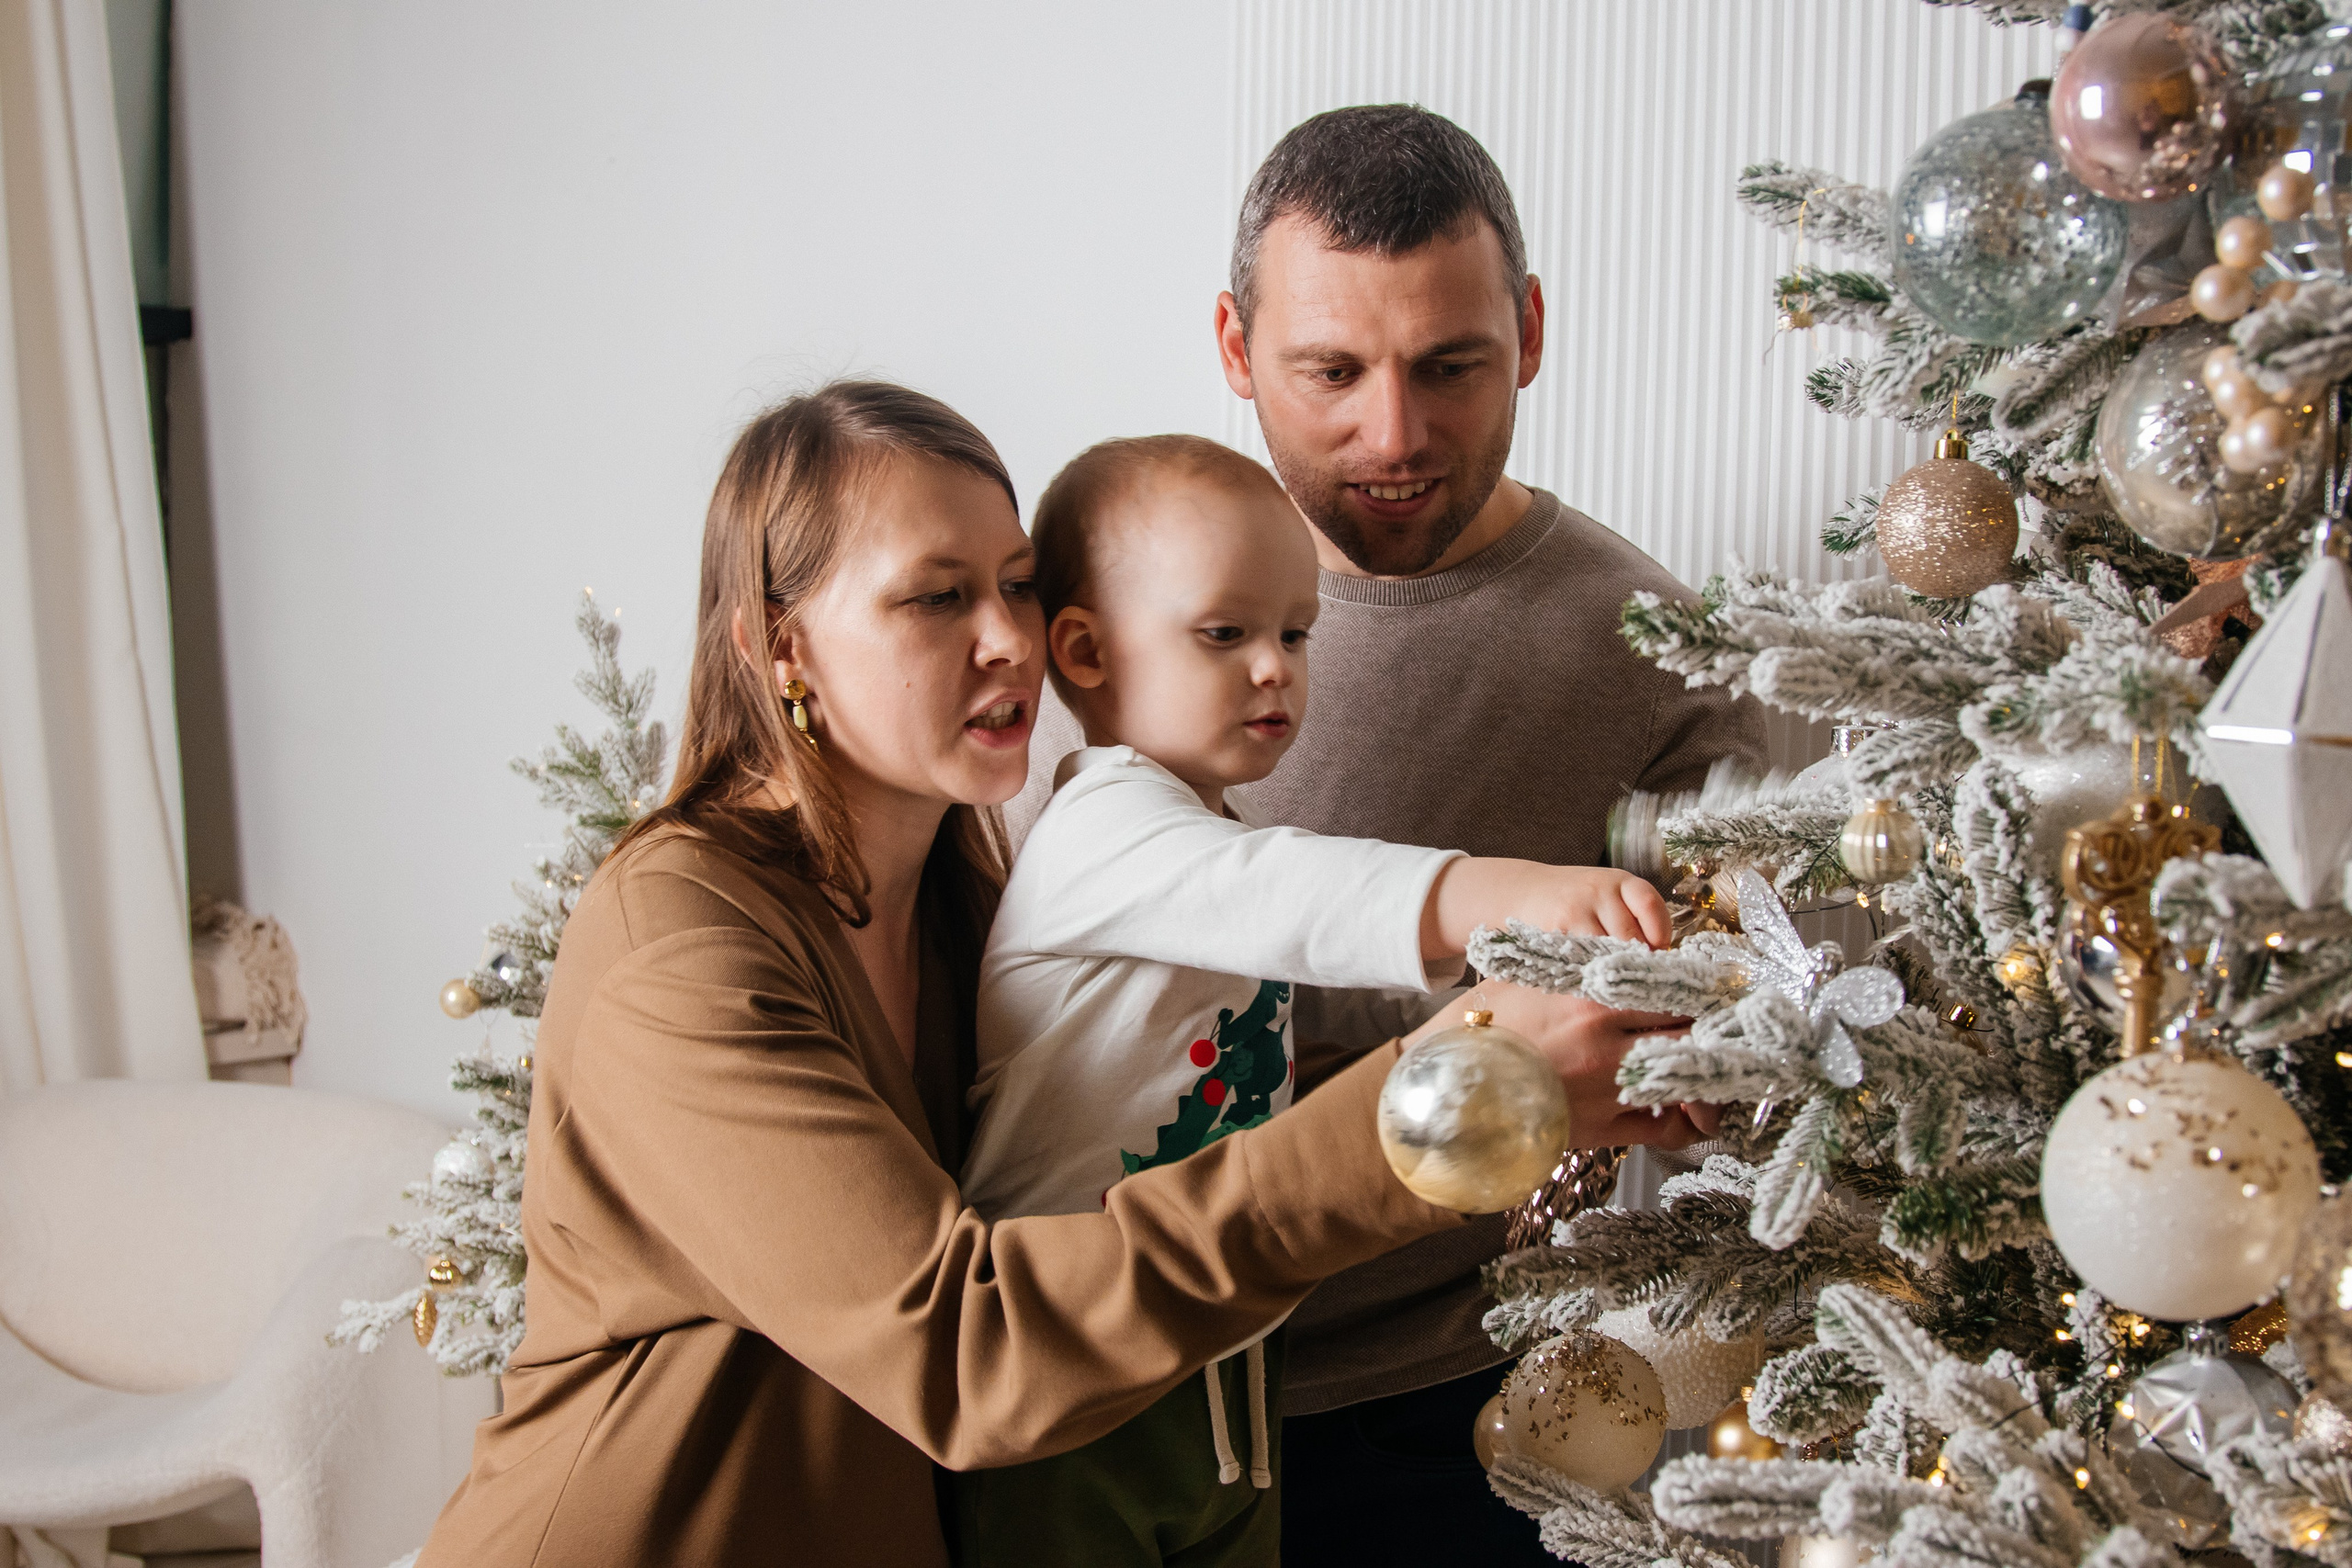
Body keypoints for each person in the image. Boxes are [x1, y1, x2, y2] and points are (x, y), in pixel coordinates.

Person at [413, 380, 1640, 1568]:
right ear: (781, 647)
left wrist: (1554, 1062)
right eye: (936, 598)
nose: (1008, 639)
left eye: (1013, 584)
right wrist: (1444, 1102)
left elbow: (1153, 1091)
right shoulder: (680, 948)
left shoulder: (958, 897)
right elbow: (964, 1347)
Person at [1011, 105, 1769, 1563]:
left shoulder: (1662, 659)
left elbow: (1724, 1061)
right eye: (1332, 371)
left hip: (1433, 1421)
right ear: (1236, 349)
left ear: (1530, 331)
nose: (1395, 434)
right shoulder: (1109, 590)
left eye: (1451, 367)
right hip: (1115, 1364)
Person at [952, 434, 1675, 1567]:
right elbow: (1309, 895)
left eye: (1294, 633)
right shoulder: (1104, 832)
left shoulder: (1194, 835)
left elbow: (1315, 1008)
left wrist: (1511, 1017)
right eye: (1224, 633)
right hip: (1071, 1375)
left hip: (1213, 1361)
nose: (1274, 667)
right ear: (1084, 651)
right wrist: (1517, 892)